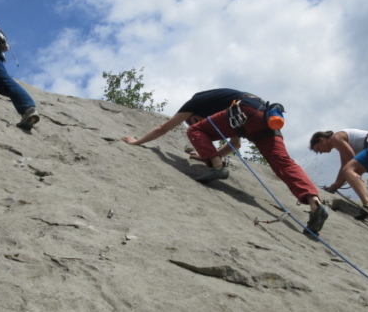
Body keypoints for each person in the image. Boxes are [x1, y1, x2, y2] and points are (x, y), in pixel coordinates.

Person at [123, 88, 330, 236]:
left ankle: (217, 169)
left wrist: (137, 141)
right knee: (283, 163)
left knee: (194, 131)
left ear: (195, 114)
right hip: (264, 117)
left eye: (195, 118)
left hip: (246, 111)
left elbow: (164, 128)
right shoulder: (224, 107)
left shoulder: (195, 102)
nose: (198, 122)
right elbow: (235, 145)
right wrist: (210, 154)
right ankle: (315, 204)